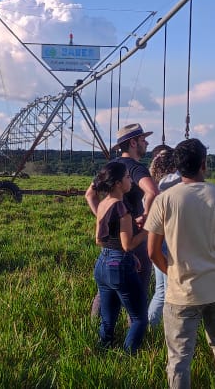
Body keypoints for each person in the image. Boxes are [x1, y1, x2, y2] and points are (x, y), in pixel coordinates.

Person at [146, 138, 215, 388]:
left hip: (181, 293)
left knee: (178, 358)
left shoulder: (164, 200)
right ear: (204, 164)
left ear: (178, 166)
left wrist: (171, 273)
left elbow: (153, 252)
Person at [86, 123, 160, 314]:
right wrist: (145, 217)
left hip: (112, 241)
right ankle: (136, 336)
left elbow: (90, 195)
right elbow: (152, 192)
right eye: (143, 140)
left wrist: (105, 220)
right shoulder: (136, 168)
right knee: (137, 291)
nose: (147, 143)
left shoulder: (111, 166)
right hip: (134, 237)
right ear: (133, 143)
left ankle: (95, 332)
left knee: (106, 291)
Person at [91, 161, 148, 353]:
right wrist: (149, 229)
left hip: (102, 264)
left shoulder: (103, 203)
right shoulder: (121, 208)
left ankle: (102, 351)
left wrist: (127, 255)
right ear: (117, 183)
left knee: (108, 319)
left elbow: (99, 240)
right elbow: (128, 244)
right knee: (139, 318)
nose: (130, 180)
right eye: (126, 177)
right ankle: (129, 357)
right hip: (119, 265)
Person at [146, 144, 181, 326]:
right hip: (169, 241)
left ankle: (151, 328)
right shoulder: (173, 183)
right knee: (168, 290)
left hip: (155, 239)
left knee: (161, 290)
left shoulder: (152, 187)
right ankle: (166, 329)